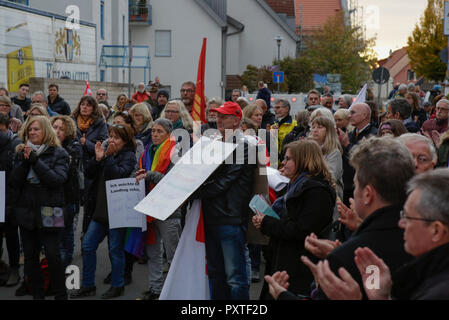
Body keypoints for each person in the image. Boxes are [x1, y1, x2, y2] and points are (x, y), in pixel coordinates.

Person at [297, 136, 415, 300]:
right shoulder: (425, 241)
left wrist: (317, 287)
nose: (354, 192)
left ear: (367, 194)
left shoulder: (344, 260)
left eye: (356, 185)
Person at [304, 169, 449, 300]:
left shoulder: (439, 291)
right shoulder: (428, 274)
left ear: (436, 230)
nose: (401, 224)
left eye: (408, 217)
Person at [253, 139, 336, 298]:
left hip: (299, 267)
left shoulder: (317, 192)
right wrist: (265, 222)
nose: (283, 163)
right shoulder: (295, 185)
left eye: (288, 159)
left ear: (303, 160)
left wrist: (268, 223)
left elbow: (302, 230)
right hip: (285, 260)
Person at [191, 101, 256, 300]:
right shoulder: (215, 144)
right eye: (217, 116)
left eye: (224, 116)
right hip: (212, 217)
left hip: (230, 219)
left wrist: (194, 190)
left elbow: (223, 182)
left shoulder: (245, 147)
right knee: (216, 274)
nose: (218, 119)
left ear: (236, 121)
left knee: (234, 277)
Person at [70, 124, 137, 300]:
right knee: (88, 245)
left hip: (117, 212)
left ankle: (117, 285)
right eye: (111, 136)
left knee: (115, 250)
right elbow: (90, 173)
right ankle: (88, 285)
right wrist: (98, 158)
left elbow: (117, 176)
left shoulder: (129, 156)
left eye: (116, 138)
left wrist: (107, 158)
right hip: (100, 210)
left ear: (125, 141)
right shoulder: (107, 153)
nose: (111, 140)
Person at [9, 116, 69, 300]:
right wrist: (27, 161)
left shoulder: (59, 153)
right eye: (30, 130)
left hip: (51, 209)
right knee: (30, 256)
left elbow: (57, 180)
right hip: (26, 211)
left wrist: (36, 161)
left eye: (36, 129)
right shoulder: (21, 152)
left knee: (52, 255)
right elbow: (14, 181)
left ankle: (60, 294)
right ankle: (37, 294)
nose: (32, 133)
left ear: (46, 131)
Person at [135, 118, 181, 300]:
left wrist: (148, 175)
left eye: (159, 131)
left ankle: (177, 291)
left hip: (168, 209)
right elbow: (136, 172)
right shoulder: (146, 152)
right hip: (149, 208)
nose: (154, 134)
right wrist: (137, 175)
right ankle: (156, 289)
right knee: (153, 253)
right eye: (153, 131)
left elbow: (172, 180)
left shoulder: (175, 152)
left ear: (168, 134)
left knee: (173, 255)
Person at [72, 96, 109, 233]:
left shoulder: (100, 123)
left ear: (93, 108)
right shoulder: (72, 121)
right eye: (82, 104)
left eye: (88, 105)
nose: (84, 107)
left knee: (89, 204)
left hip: (91, 167)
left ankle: (85, 235)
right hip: (75, 166)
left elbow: (103, 145)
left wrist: (86, 143)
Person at [51, 116, 81, 268]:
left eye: (61, 129)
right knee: (52, 237)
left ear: (68, 131)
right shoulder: (47, 146)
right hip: (50, 201)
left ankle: (65, 267)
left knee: (65, 235)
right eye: (54, 127)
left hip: (66, 200)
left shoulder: (73, 147)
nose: (57, 131)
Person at [338, 103, 378, 206]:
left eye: (353, 112)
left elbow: (363, 159)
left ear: (364, 115)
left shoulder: (373, 135)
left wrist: (347, 144)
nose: (349, 116)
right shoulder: (350, 134)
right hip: (346, 184)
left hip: (360, 186)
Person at [0, 113, 22, 287]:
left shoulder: (14, 144)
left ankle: (15, 269)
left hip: (10, 196)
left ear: (5, 127)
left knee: (12, 235)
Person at [309, 117, 344, 211]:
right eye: (313, 127)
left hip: (328, 199)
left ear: (328, 131)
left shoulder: (334, 152)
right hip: (312, 196)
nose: (315, 130)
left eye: (320, 127)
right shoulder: (309, 150)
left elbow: (330, 177)